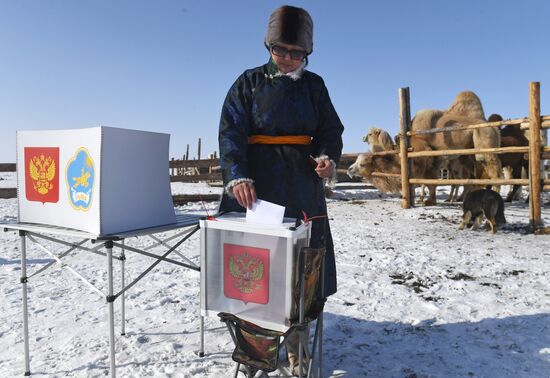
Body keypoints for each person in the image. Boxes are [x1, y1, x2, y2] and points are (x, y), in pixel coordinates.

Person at [218, 5, 344, 375]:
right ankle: (256, 350)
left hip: (301, 188)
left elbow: (330, 130)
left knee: (302, 271)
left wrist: (326, 157)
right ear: (269, 46)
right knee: (254, 271)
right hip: (255, 191)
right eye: (281, 50)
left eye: (296, 52)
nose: (288, 59)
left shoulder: (314, 86)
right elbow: (230, 132)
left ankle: (297, 344)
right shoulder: (248, 83)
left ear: (306, 52)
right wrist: (237, 176)